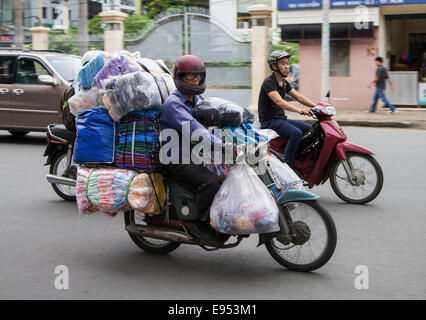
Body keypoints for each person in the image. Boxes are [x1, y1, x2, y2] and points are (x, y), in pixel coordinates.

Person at [159, 55, 229, 247]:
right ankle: (199, 225)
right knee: (210, 181)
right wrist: (222, 145)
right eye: (190, 76)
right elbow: (196, 130)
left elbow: (211, 117)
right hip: (176, 157)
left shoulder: (197, 98)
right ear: (180, 78)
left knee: (227, 175)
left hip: (195, 153)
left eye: (198, 76)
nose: (196, 80)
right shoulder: (174, 104)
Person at [258, 50, 315, 166]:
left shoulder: (284, 82)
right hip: (269, 122)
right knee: (296, 133)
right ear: (274, 66)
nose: (287, 66)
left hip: (281, 119)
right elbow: (279, 101)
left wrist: (317, 106)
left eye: (287, 63)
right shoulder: (269, 82)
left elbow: (298, 97)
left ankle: (298, 157)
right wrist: (300, 111)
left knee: (312, 130)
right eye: (283, 63)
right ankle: (287, 166)